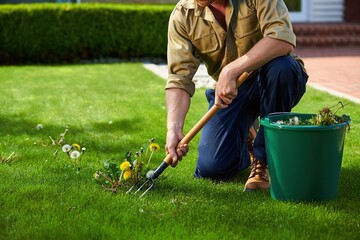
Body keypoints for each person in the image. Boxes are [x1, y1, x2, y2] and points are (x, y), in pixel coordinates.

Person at [164, 0, 308, 191]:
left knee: (282, 69)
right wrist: (173, 128)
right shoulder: (183, 16)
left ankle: (263, 160)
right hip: (232, 94)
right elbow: (179, 78)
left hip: (275, 79)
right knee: (212, 168)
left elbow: (282, 39)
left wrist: (231, 70)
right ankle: (246, 136)